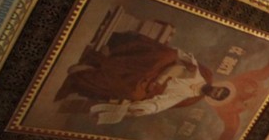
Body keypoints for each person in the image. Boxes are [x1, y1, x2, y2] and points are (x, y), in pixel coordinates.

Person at [55, 31, 231, 126]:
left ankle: (87, 73)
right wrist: (179, 60)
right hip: (160, 67)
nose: (215, 92)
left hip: (151, 84)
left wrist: (148, 109)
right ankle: (105, 57)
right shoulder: (205, 75)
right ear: (218, 86)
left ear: (212, 98)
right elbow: (187, 59)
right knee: (166, 54)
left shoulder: (190, 98)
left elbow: (164, 103)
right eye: (218, 90)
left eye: (216, 95)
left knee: (135, 94)